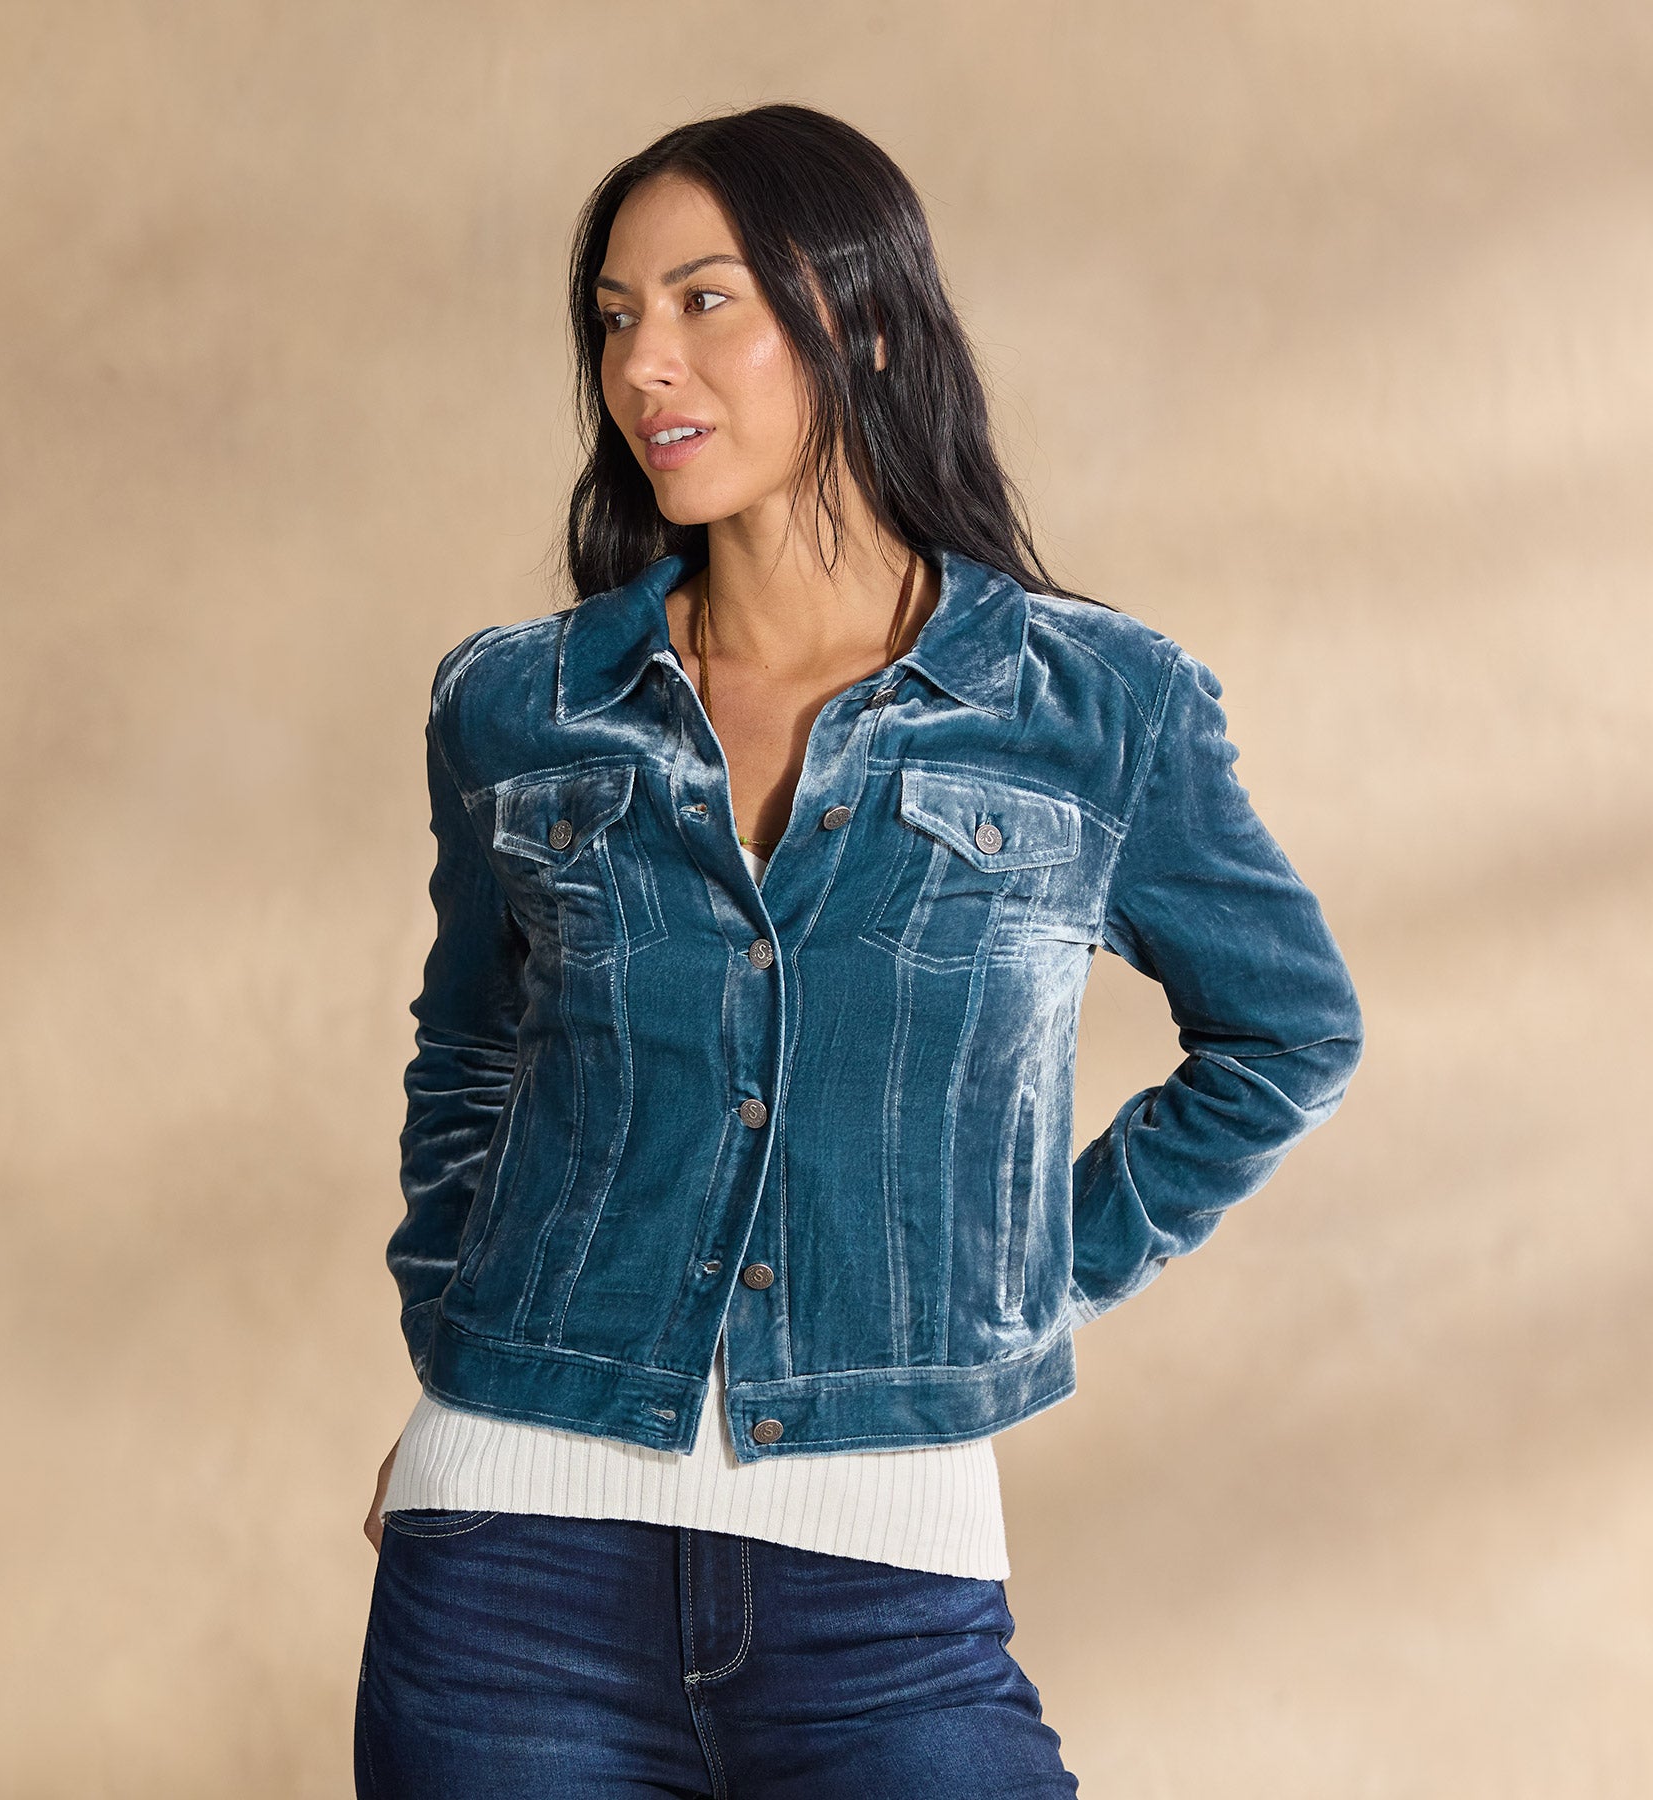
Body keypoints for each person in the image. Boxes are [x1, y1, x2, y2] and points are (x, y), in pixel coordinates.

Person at [353, 102, 1363, 1800]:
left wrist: (1025, 1278)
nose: (644, 366)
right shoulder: (520, 702)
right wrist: (461, 1349)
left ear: (866, 320)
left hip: (887, 1597)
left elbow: (1288, 1034)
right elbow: (471, 1055)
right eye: (615, 318)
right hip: (506, 1578)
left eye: (705, 301)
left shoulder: (1093, 707)